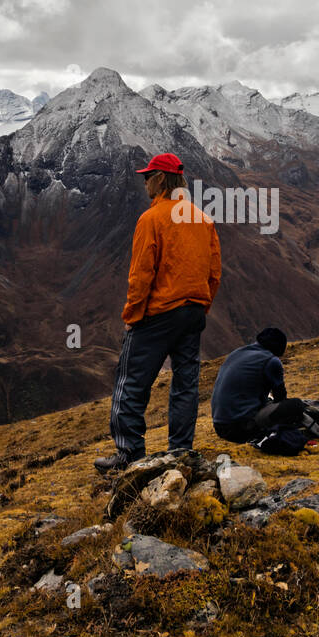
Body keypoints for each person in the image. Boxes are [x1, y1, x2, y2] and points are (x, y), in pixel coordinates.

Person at [95, 152, 222, 472]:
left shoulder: (151, 220)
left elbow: (141, 275)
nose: (145, 181)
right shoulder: (202, 220)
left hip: (158, 314)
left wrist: (132, 316)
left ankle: (129, 456)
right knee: (185, 385)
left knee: (132, 383)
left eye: (147, 176)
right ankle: (180, 452)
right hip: (193, 312)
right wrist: (201, 304)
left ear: (161, 179)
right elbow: (214, 272)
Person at [211, 327, 307, 443]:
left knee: (268, 402)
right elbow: (280, 398)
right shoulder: (271, 360)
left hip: (220, 426)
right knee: (296, 405)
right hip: (241, 428)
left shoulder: (237, 353)